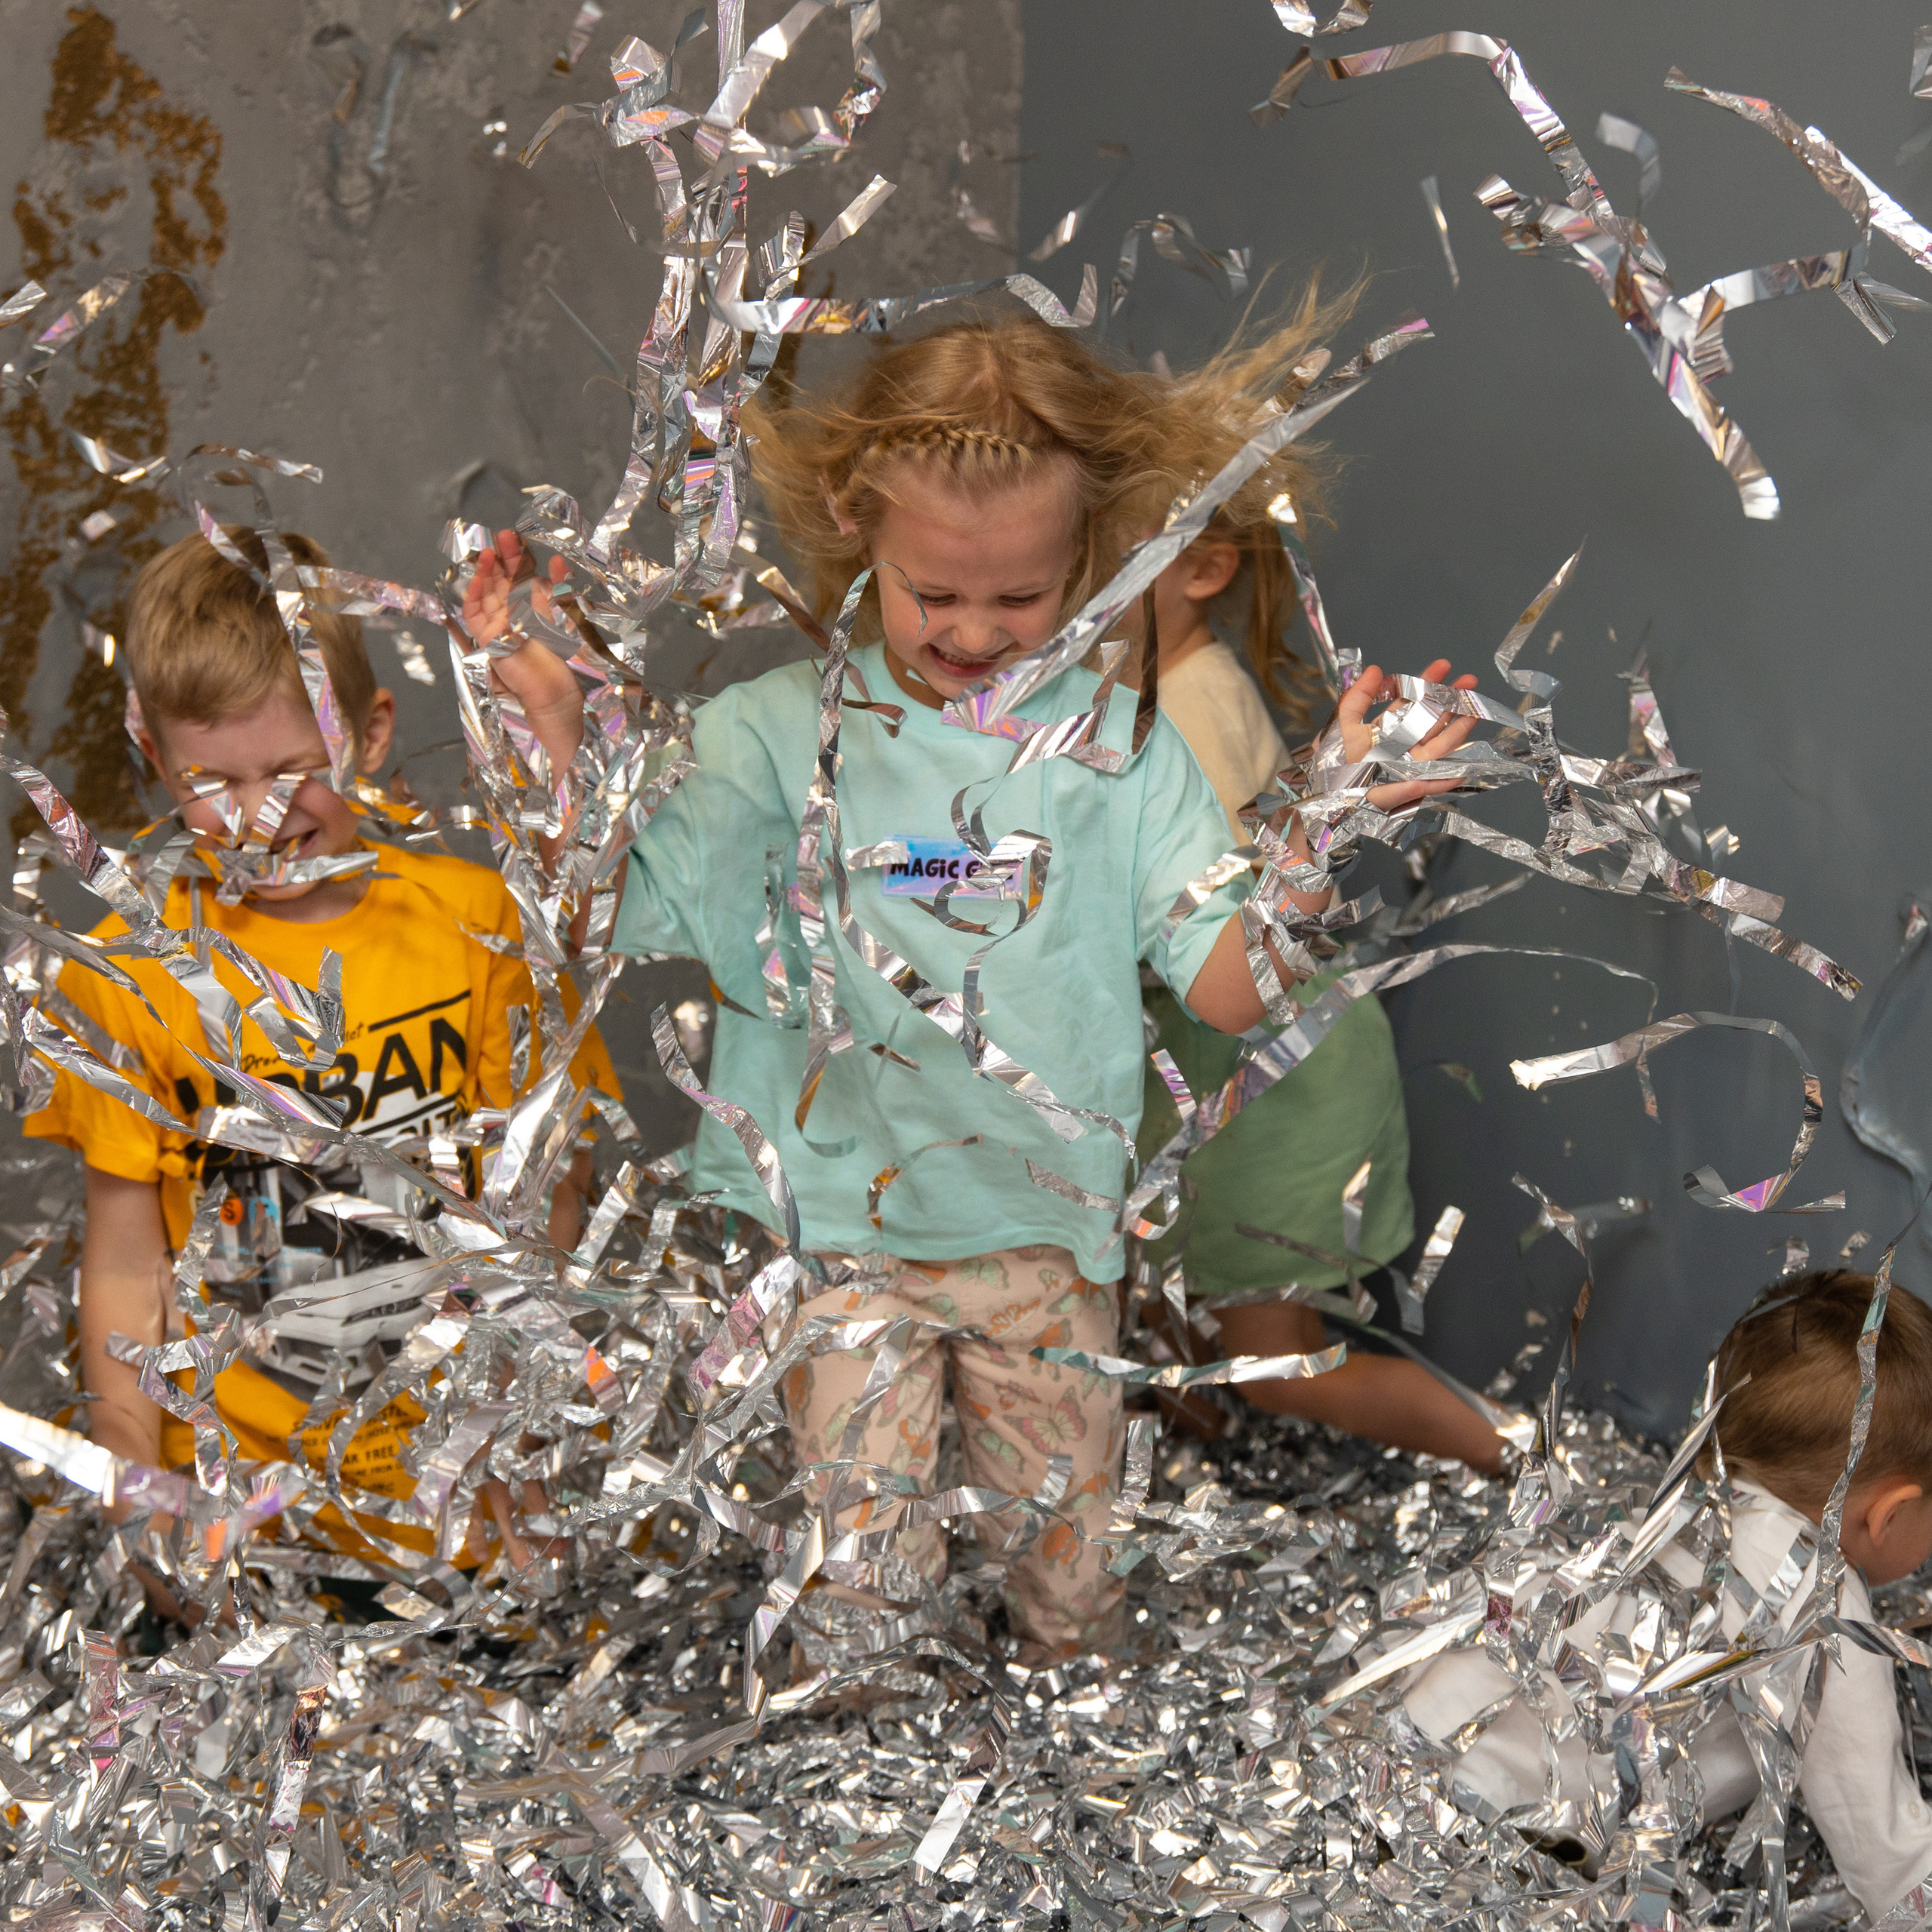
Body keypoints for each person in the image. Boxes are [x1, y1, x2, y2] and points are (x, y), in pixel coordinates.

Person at [470, 305, 1480, 1654]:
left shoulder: (1123, 751)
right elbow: (602, 913)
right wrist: (558, 730)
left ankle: (1065, 1754)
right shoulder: (770, 737)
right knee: (862, 1587)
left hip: (1042, 1244)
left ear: (1093, 555)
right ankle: (875, 1762)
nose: (973, 632)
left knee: (1069, 1589)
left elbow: (1232, 995)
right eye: (933, 593)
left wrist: (1323, 833)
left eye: (1022, 598)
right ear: (854, 522)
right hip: (844, 1241)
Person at [26, 527, 617, 1580]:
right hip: (259, 1526)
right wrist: (137, 1487)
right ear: (154, 759)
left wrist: (530, 1424)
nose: (259, 813)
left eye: (298, 768)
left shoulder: (475, 926)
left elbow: (555, 1195)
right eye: (213, 779)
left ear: (373, 735)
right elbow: (123, 1260)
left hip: (474, 1497)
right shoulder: (130, 977)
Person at [1140, 514, 1507, 1472]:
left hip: (1273, 1076)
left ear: (1203, 570)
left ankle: (1519, 1456)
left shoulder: (1190, 707)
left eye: (1101, 558)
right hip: (1227, 1069)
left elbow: (1203, 923)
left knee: (1270, 1362)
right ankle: (1187, 1462)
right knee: (1171, 1300)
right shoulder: (1158, 695)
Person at [1403, 1270, 1932, 1921]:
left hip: (1421, 1731)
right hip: (1508, 1843)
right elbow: (1885, 1847)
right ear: (1889, 1513)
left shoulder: (1687, 1502)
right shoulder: (1823, 1611)